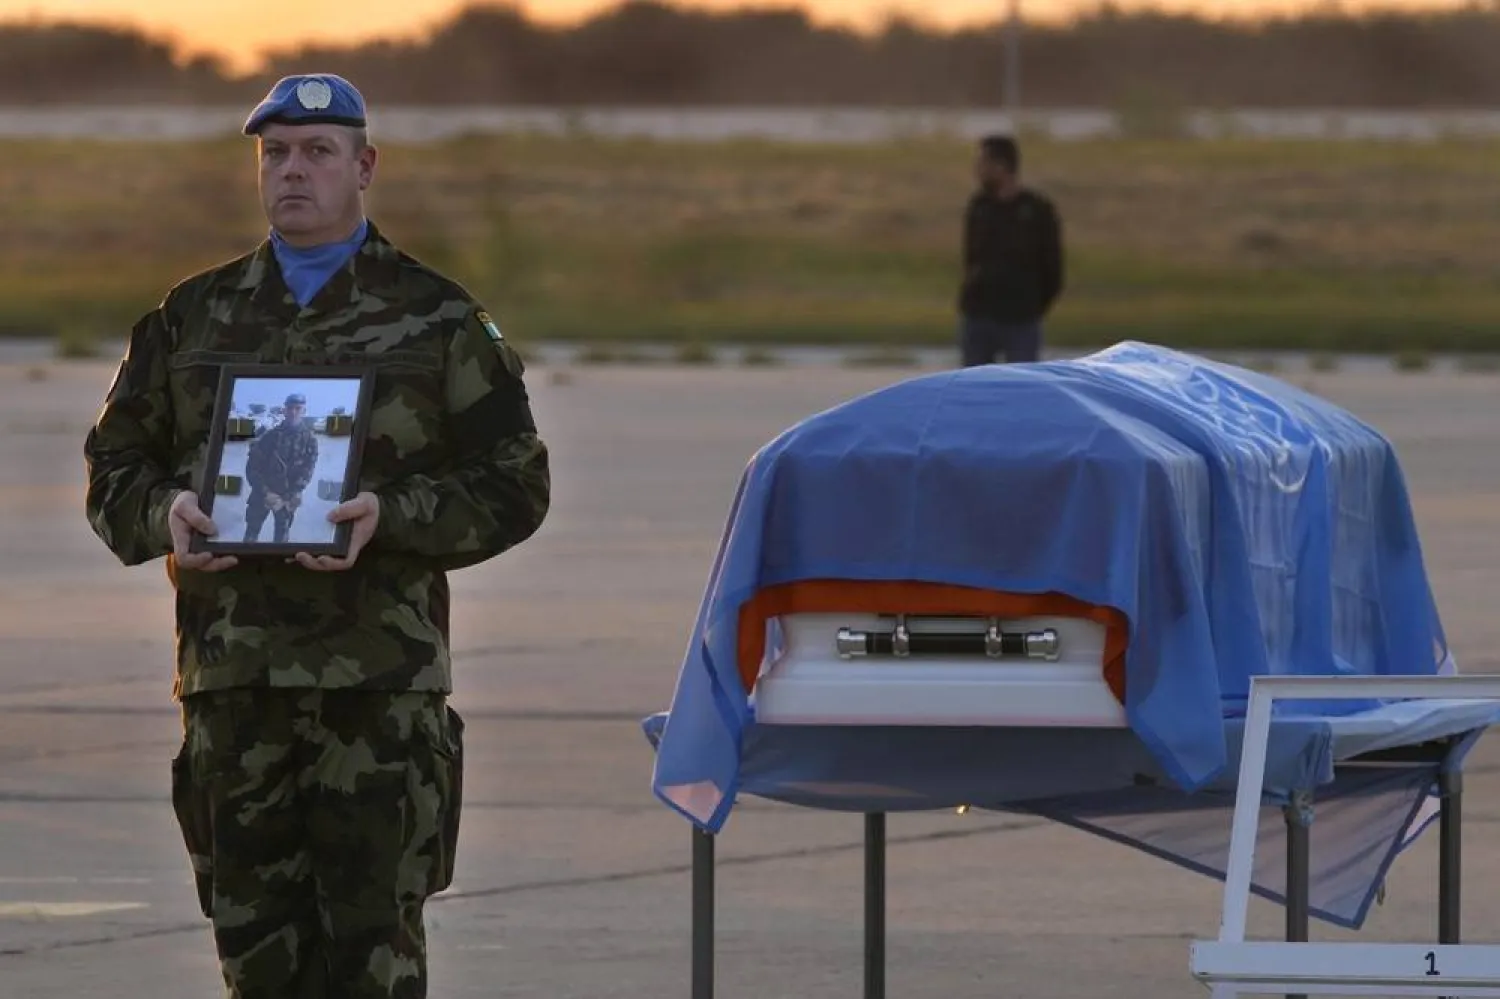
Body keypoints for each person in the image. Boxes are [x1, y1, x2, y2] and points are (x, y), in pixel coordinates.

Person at [83, 73, 550, 999]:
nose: (293, 171)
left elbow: (516, 482)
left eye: (318, 152)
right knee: (255, 955)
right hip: (234, 687)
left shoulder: (438, 317)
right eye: (276, 153)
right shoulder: (192, 316)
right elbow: (114, 466)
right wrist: (165, 512)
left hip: (377, 694)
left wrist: (393, 515)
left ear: (364, 167)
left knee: (375, 952)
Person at [957, 134, 1065, 366]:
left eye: (982, 163)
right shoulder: (979, 207)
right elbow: (970, 257)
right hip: (979, 315)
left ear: (1001, 166)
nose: (977, 170)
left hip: (1020, 318)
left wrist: (1034, 305)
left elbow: (1052, 267)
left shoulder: (1037, 210)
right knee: (973, 382)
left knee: (1021, 381)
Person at [242, 392, 319, 544]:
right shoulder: (269, 437)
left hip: (287, 496)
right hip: (262, 493)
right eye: (290, 408)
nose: (293, 412)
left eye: (298, 408)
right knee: (251, 535)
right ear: (284, 410)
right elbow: (252, 468)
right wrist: (265, 492)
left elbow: (308, 470)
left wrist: (297, 491)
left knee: (282, 539)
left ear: (304, 411)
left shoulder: (310, 440)